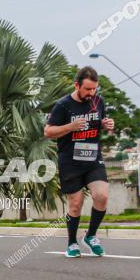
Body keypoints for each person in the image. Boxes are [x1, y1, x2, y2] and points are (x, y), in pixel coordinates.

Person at [44, 66, 114, 258]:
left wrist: (106, 124)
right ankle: (72, 242)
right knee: (76, 204)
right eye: (88, 89)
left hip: (93, 158)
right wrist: (71, 126)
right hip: (71, 161)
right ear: (77, 85)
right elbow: (48, 132)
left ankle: (90, 236)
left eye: (94, 89)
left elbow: (99, 122)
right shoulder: (63, 105)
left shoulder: (99, 101)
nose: (92, 93)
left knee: (102, 196)